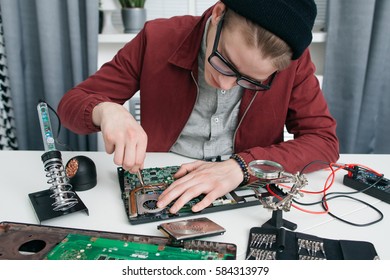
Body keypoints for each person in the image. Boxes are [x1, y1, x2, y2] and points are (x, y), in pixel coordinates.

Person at [58, 0, 339, 214]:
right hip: (161, 183)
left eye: (251, 81)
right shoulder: (158, 37)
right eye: (225, 63)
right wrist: (105, 110)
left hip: (248, 194)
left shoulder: (293, 64)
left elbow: (323, 141)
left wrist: (242, 167)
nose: (227, 85)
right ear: (218, 14)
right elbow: (72, 104)